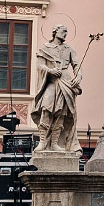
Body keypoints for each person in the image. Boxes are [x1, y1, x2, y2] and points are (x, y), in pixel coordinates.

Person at [31, 25, 82, 153]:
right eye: (63, 31)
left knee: (62, 113)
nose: (65, 34)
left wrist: (79, 75)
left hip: (66, 82)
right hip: (52, 82)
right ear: (55, 32)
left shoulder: (69, 49)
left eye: (67, 32)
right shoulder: (45, 48)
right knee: (46, 108)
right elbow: (40, 66)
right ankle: (43, 142)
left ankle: (55, 143)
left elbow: (76, 65)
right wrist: (51, 71)